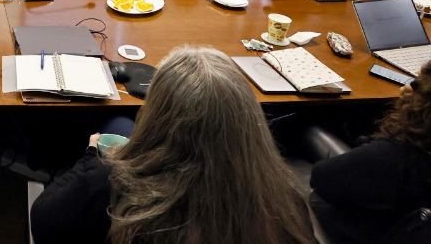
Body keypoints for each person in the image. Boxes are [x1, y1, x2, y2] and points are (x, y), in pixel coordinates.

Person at [30, 46, 315, 244]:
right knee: (119, 123)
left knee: (117, 124)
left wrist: (92, 157)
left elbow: (44, 221)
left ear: (156, 115)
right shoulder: (287, 203)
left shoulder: (107, 184)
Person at [310, 60, 431, 243]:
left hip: (373, 229)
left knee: (310, 133)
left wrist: (405, 110)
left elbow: (321, 178)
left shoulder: (396, 157)